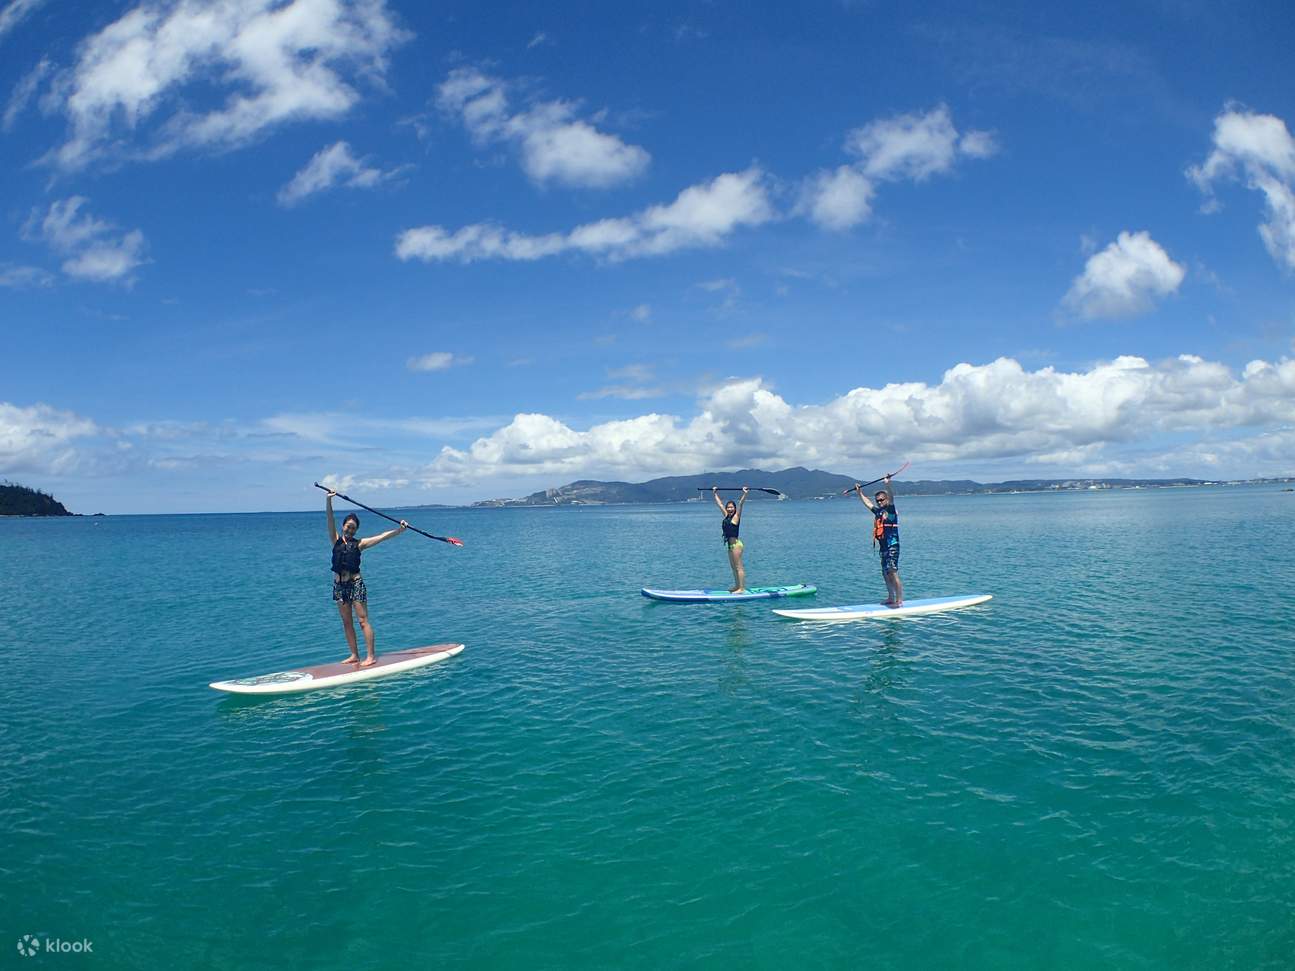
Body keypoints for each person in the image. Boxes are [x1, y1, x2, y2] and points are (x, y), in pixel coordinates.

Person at [325, 490, 408, 666]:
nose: (349, 529)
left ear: (356, 530)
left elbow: (382, 537)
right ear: (343, 526)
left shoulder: (360, 544)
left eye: (353, 527)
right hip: (339, 587)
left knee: (362, 621)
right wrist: (329, 502)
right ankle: (354, 655)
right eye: (348, 526)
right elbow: (329, 520)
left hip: (355, 584)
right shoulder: (335, 540)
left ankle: (370, 656)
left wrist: (399, 530)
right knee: (346, 622)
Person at [855, 475, 904, 607]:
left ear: (886, 499)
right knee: (885, 573)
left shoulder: (891, 510)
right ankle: (890, 597)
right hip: (883, 548)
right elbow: (868, 504)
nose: (879, 502)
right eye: (878, 501)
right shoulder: (878, 512)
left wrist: (887, 484)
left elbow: (892, 497)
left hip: (892, 546)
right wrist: (860, 493)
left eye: (882, 500)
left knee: (893, 572)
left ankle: (899, 601)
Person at [712, 485, 749, 592]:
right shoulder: (726, 516)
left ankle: (741, 588)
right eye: (728, 507)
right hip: (730, 546)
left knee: (739, 567)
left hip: (737, 545)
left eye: (731, 507)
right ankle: (737, 586)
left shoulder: (736, 516)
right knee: (733, 568)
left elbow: (741, 504)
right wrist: (715, 493)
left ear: (734, 508)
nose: (729, 509)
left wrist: (745, 493)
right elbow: (719, 504)